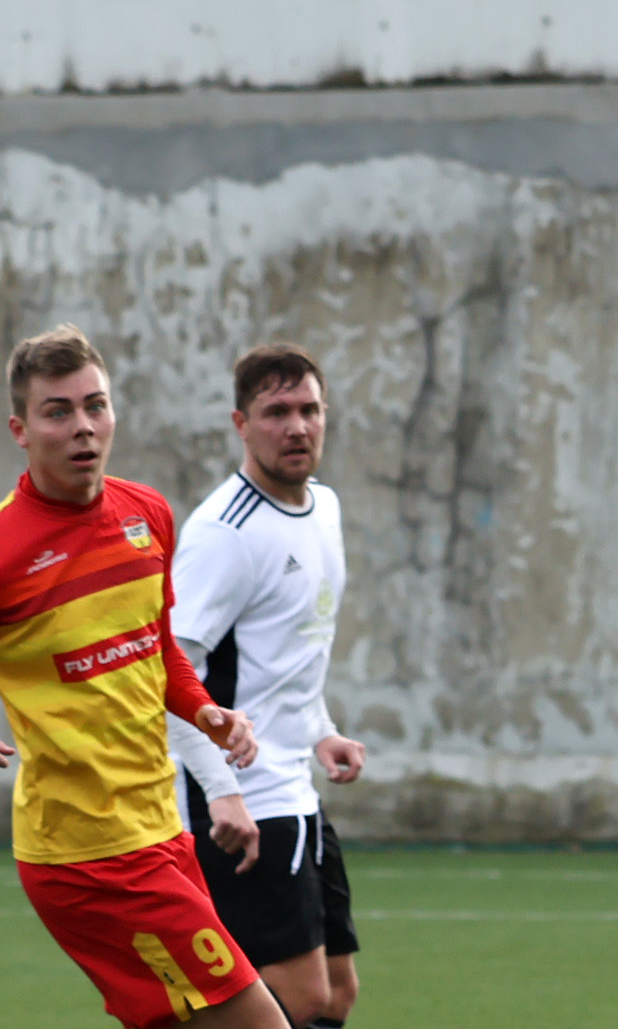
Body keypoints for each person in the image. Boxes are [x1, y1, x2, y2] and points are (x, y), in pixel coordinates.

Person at [0, 323, 287, 1029]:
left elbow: (156, 648)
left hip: (161, 826)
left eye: (95, 405)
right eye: (58, 412)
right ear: (21, 431)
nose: (82, 426)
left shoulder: (147, 513)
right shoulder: (6, 547)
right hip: (88, 854)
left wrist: (207, 712)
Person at [165, 343, 366, 1029]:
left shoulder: (325, 509)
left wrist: (321, 729)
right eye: (276, 412)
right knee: (297, 998)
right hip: (240, 798)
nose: (296, 427)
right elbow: (170, 672)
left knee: (336, 993)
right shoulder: (225, 533)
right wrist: (221, 791)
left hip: (295, 785)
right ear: (241, 424)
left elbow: (292, 653)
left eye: (309, 409)